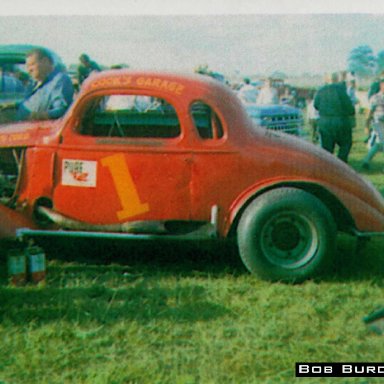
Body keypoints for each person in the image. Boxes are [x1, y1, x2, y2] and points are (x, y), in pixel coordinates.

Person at [0, 48, 74, 122]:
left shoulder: (59, 80)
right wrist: (14, 105)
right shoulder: (34, 83)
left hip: (40, 129)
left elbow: (62, 111)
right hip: (23, 127)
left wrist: (42, 115)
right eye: (27, 66)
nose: (28, 70)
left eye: (31, 65)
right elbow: (32, 101)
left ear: (45, 61)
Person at [314, 72, 355, 163]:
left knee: (327, 147)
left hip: (325, 122)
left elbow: (316, 105)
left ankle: (328, 166)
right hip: (341, 121)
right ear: (337, 79)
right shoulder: (341, 90)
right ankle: (341, 162)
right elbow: (350, 108)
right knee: (345, 144)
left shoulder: (320, 91)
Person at [361, 78, 384, 170]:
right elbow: (369, 112)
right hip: (379, 122)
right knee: (381, 142)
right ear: (381, 86)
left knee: (379, 144)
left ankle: (366, 160)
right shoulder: (375, 98)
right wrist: (366, 125)